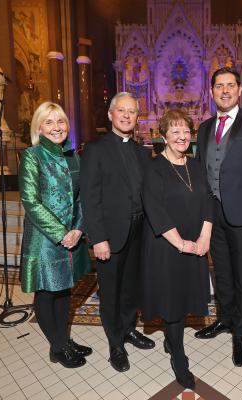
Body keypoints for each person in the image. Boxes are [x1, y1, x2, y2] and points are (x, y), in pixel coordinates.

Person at [194, 67, 242, 367]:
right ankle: (224, 319)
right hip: (213, 215)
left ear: (239, 90)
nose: (224, 90)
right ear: (211, 91)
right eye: (218, 86)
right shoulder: (203, 129)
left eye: (230, 85)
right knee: (222, 273)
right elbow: (202, 174)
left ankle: (240, 333)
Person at [80, 92, 155, 373]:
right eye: (121, 111)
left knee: (131, 288)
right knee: (110, 292)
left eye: (132, 112)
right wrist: (97, 238)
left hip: (138, 232)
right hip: (110, 235)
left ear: (137, 117)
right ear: (110, 114)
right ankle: (115, 344)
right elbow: (89, 197)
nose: (126, 116)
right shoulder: (95, 150)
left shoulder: (142, 152)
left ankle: (128, 329)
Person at [141, 109, 213, 390]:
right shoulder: (154, 168)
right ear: (163, 137)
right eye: (175, 132)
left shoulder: (195, 165)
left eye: (185, 131)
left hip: (196, 243)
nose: (182, 136)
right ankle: (178, 356)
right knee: (171, 302)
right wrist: (181, 243)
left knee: (185, 296)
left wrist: (205, 236)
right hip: (167, 245)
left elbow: (208, 199)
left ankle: (172, 341)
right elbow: (154, 210)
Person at [19, 102, 92, 368]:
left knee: (64, 291)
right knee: (47, 293)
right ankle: (58, 347)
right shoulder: (32, 155)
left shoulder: (74, 156)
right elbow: (31, 201)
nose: (56, 127)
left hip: (73, 235)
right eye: (49, 122)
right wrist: (62, 233)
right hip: (46, 239)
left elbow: (84, 197)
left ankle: (64, 340)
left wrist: (79, 228)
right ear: (38, 127)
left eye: (60, 121)